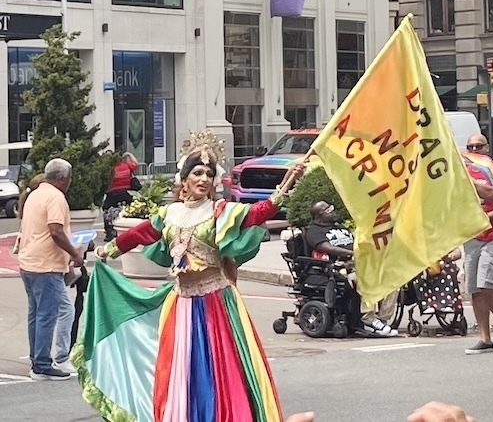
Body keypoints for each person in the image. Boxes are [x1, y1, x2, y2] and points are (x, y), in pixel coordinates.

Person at [71, 131, 312, 422]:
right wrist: (109, 250)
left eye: (209, 174)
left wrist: (288, 182)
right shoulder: (169, 213)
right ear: (184, 180)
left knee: (220, 369)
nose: (203, 179)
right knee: (181, 370)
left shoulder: (220, 211)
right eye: (197, 172)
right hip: (182, 304)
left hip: (217, 304)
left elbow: (258, 213)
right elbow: (140, 233)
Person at [18, 159, 84, 381]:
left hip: (29, 262)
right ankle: (43, 364)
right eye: (70, 178)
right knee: (47, 315)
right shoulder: (56, 197)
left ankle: (37, 359)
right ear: (63, 178)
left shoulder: (35, 194)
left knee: (35, 314)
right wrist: (75, 253)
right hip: (46, 265)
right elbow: (55, 231)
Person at [304, 200, 398, 337]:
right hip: (337, 269)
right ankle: (368, 319)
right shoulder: (313, 231)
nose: (333, 210)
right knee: (367, 278)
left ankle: (382, 319)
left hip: (360, 262)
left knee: (392, 280)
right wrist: (352, 254)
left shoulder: (341, 227)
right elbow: (326, 248)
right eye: (328, 209)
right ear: (319, 215)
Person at [461, 134, 493, 355]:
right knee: (475, 287)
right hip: (471, 236)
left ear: (488, 147)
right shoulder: (460, 173)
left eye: (479, 145)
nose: (474, 149)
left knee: (487, 284)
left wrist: (486, 219)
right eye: (470, 146)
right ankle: (484, 338)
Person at [102, 151, 139, 241]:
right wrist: (128, 154)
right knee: (128, 209)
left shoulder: (108, 169)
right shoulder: (126, 166)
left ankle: (110, 231)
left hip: (112, 194)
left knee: (106, 210)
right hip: (124, 193)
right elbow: (136, 163)